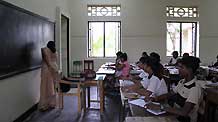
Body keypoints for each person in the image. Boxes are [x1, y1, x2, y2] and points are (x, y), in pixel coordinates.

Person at [146, 56, 202, 122]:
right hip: (174, 114)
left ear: (189, 70)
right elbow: (169, 94)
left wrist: (160, 107)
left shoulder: (194, 88)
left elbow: (184, 112)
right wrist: (155, 98)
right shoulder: (182, 82)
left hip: (184, 119)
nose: (178, 69)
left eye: (182, 67)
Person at [38, 41, 59, 111]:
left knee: (44, 87)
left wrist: (49, 66)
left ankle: (44, 105)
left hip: (46, 70)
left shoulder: (45, 50)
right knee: (52, 87)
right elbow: (55, 61)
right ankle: (52, 103)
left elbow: (46, 60)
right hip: (54, 69)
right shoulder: (55, 52)